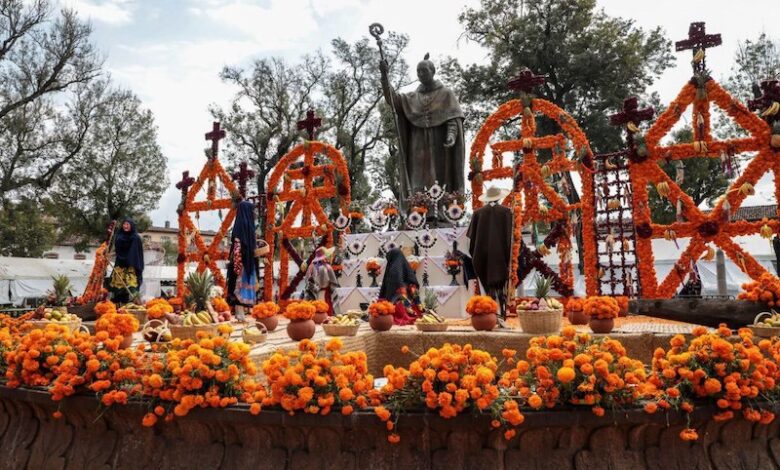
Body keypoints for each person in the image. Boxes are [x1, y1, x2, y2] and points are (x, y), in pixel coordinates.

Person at [380, 53, 465, 203]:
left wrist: (451, 136)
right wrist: (384, 76)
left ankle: (443, 211)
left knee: (441, 178)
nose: (420, 74)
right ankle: (419, 210)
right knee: (418, 180)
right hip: (417, 147)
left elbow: (453, 119)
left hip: (440, 145)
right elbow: (392, 100)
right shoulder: (411, 97)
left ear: (432, 71)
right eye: (418, 71)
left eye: (424, 70)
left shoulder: (446, 94)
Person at [468, 186, 513, 321]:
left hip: (482, 254)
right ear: (499, 197)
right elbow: (511, 237)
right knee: (501, 285)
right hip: (501, 255)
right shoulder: (507, 212)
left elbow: (472, 238)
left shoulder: (478, 213)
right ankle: (502, 311)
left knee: (486, 285)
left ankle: (489, 311)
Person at [226, 201, 257, 321]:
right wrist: (239, 261)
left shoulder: (241, 223)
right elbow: (239, 244)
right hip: (243, 260)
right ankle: (240, 314)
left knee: (239, 287)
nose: (253, 213)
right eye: (252, 210)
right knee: (240, 286)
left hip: (242, 260)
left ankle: (240, 314)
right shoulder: (245, 224)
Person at [378, 248, 423, 326]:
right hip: (411, 300)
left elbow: (398, 286)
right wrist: (417, 301)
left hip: (399, 302)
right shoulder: (406, 265)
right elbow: (413, 284)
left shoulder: (393, 268)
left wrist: (406, 304)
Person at [109, 218, 144, 304]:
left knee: (131, 285)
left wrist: (129, 261)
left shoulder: (136, 238)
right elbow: (117, 248)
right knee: (118, 285)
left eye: (128, 224)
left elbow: (136, 252)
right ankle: (117, 304)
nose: (125, 226)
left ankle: (135, 304)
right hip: (120, 264)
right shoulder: (119, 235)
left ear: (131, 226)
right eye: (124, 224)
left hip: (131, 264)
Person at [303, 246, 340, 316]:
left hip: (314, 294)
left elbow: (306, 281)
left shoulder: (311, 267)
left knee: (315, 312)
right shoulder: (327, 267)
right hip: (325, 294)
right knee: (326, 313)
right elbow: (333, 282)